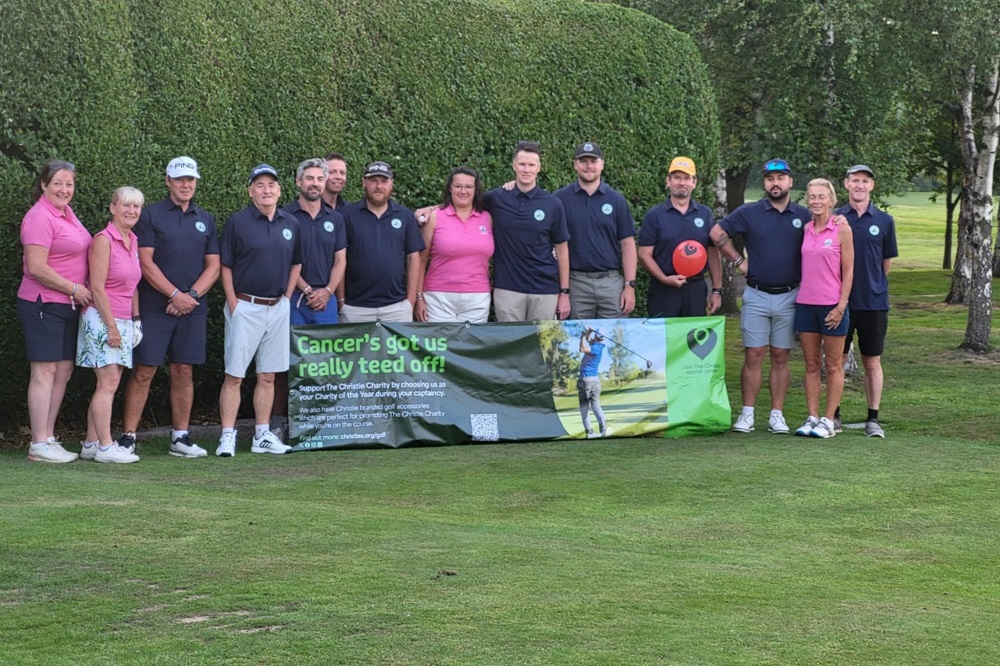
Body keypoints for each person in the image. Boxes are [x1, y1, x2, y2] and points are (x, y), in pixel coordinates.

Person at [120, 156, 220, 458]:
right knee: (144, 371)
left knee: (183, 370)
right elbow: (145, 262)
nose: (186, 184)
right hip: (155, 307)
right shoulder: (150, 215)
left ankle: (180, 437)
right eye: (180, 179)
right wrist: (174, 294)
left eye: (190, 179)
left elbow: (213, 266)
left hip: (192, 307)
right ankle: (128, 437)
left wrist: (190, 296)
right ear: (168, 181)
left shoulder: (206, 218)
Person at [709, 158, 812, 435]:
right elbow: (717, 232)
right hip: (756, 295)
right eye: (769, 179)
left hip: (790, 295)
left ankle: (776, 415)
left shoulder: (803, 215)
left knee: (781, 356)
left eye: (780, 178)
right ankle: (748, 414)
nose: (775, 183)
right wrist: (737, 261)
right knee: (753, 355)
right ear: (764, 183)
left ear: (790, 182)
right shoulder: (750, 212)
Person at [216, 164, 302, 457]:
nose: (266, 190)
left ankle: (262, 435)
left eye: (271, 185)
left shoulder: (291, 223)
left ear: (280, 190)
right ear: (251, 191)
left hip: (277, 307)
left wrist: (288, 297)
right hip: (245, 305)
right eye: (260, 185)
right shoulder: (237, 222)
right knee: (235, 376)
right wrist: (232, 301)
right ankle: (227, 436)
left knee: (267, 376)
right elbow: (225, 264)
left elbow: (296, 262)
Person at [17, 160, 93, 463]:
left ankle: (48, 437)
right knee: (45, 371)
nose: (65, 189)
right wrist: (74, 288)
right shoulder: (39, 216)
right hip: (42, 303)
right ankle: (38, 442)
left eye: (69, 184)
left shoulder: (67, 214)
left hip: (66, 305)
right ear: (44, 185)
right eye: (58, 183)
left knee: (62, 370)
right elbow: (36, 268)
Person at [77, 187, 144, 463]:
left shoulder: (133, 239)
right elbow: (98, 287)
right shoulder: (103, 240)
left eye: (136, 207)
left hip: (124, 319)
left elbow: (133, 286)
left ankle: (91, 443)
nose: (131, 211)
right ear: (112, 208)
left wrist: (135, 321)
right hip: (103, 318)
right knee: (109, 381)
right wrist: (113, 329)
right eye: (126, 205)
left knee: (108, 383)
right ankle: (106, 447)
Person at [834, 165, 898, 438]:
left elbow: (885, 264)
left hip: (873, 303)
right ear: (846, 184)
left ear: (872, 186)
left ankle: (873, 418)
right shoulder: (835, 218)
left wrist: (870, 284)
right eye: (855, 180)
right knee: (837, 360)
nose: (859, 185)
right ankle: (833, 415)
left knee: (872, 361)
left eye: (865, 181)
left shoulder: (884, 221)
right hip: (840, 303)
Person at [792, 179, 854, 439]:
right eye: (812, 197)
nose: (816, 201)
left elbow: (849, 270)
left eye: (821, 196)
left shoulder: (841, 229)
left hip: (832, 306)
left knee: (833, 366)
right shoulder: (805, 229)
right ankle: (812, 417)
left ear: (831, 200)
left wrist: (841, 305)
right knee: (811, 365)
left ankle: (829, 420)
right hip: (806, 304)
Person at [486, 141, 571, 321]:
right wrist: (431, 209)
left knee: (541, 346)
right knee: (511, 345)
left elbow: (562, 250)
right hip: (508, 288)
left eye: (531, 165)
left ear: (539, 168)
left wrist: (564, 292)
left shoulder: (552, 203)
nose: (526, 169)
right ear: (514, 165)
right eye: (522, 164)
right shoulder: (497, 198)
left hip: (545, 289)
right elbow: (462, 203)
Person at [554, 142, 637, 319]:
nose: (589, 166)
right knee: (578, 343)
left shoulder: (616, 200)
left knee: (615, 342)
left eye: (593, 161)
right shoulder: (560, 199)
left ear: (602, 164)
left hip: (611, 283)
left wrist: (630, 286)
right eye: (583, 161)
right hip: (576, 283)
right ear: (575, 164)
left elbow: (628, 244)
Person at [338, 161, 424, 323]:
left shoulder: (405, 216)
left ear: (391, 184)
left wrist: (410, 301)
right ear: (364, 183)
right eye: (373, 181)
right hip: (355, 307)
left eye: (384, 181)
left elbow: (414, 258)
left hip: (396, 307)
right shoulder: (347, 215)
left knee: (397, 350)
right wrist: (341, 301)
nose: (379, 186)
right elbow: (339, 258)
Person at [638, 156, 722, 317]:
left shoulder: (705, 214)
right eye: (677, 177)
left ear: (694, 182)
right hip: (663, 290)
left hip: (696, 289)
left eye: (686, 178)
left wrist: (717, 290)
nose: (681, 183)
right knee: (663, 340)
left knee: (694, 340)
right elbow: (644, 254)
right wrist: (664, 278)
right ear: (668, 181)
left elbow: (712, 253)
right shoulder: (655, 215)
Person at [414, 167, 494, 323]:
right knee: (438, 346)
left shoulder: (487, 218)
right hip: (438, 298)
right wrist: (419, 297)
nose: (463, 191)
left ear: (476, 190)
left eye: (469, 187)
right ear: (450, 188)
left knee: (471, 346)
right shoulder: (434, 217)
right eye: (458, 186)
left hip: (477, 298)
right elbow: (420, 261)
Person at [285, 158, 347, 325]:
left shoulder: (336, 218)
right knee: (292, 351)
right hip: (293, 297)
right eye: (309, 178)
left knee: (327, 351)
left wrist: (327, 292)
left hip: (326, 301)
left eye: (320, 179)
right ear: (298, 181)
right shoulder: (284, 217)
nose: (315, 183)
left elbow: (340, 260)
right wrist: (307, 289)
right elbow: (284, 259)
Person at [578, 327, 611, 438]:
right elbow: (589, 339)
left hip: (586, 380)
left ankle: (590, 432)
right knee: (596, 406)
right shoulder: (599, 345)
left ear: (597, 336)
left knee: (584, 408)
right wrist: (588, 333)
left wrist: (582, 335)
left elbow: (582, 349)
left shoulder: (595, 347)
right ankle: (604, 429)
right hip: (595, 381)